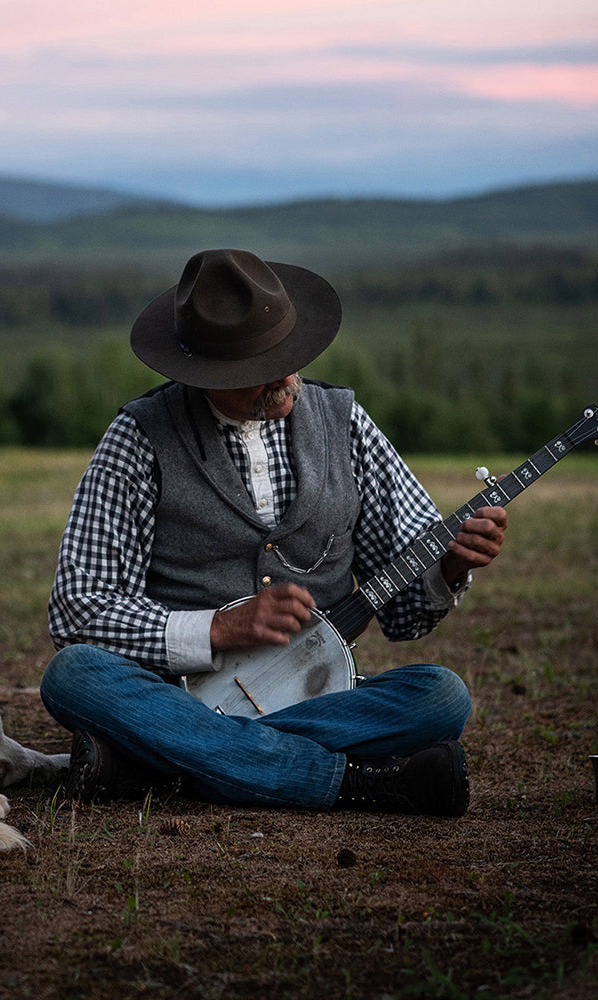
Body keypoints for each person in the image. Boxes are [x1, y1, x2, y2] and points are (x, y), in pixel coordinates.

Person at [40, 248, 507, 817]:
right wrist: (216, 628)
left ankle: (159, 760)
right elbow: (78, 610)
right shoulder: (138, 437)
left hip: (314, 696)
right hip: (172, 693)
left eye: (289, 355)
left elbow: (405, 618)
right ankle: (352, 782)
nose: (286, 378)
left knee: (440, 697)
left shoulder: (346, 423)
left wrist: (450, 566)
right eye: (258, 368)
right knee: (74, 675)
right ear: (203, 374)